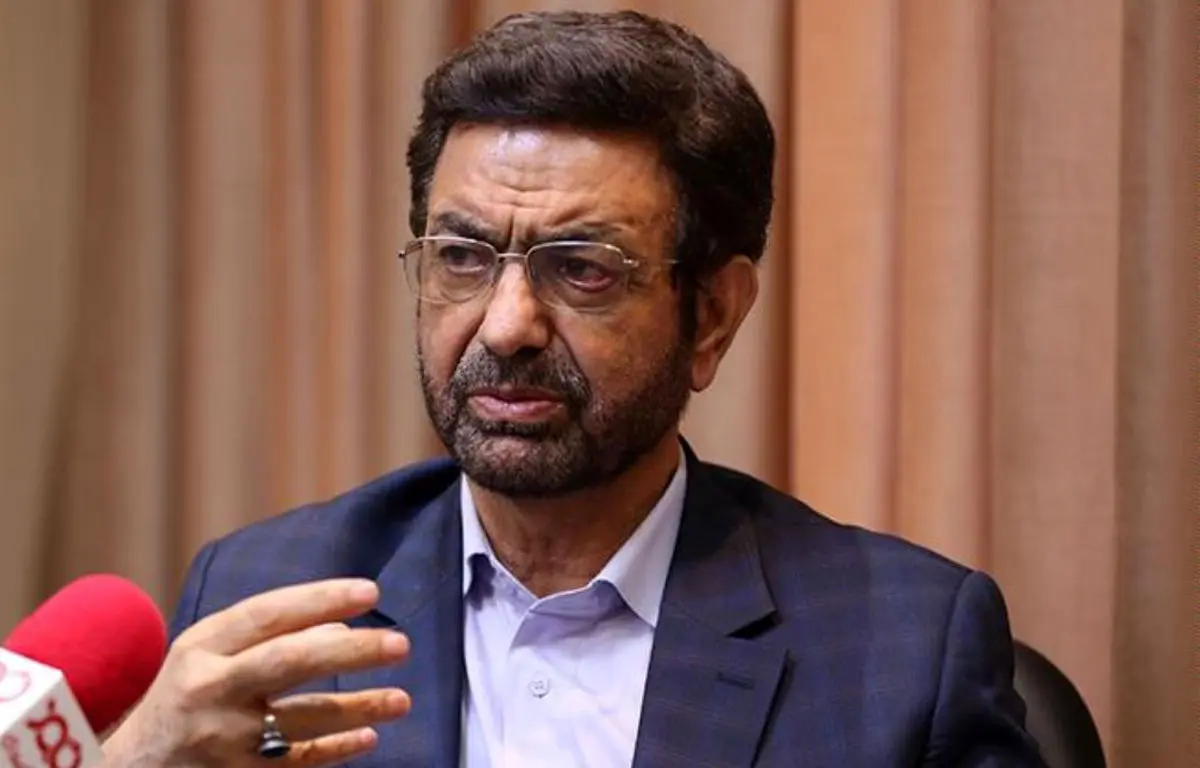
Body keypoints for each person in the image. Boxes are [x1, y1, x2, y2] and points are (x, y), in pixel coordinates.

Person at [101, 10, 1044, 768]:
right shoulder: (271, 595)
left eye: (583, 269)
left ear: (712, 315)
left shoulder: (899, 652)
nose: (506, 325)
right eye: (463, 257)